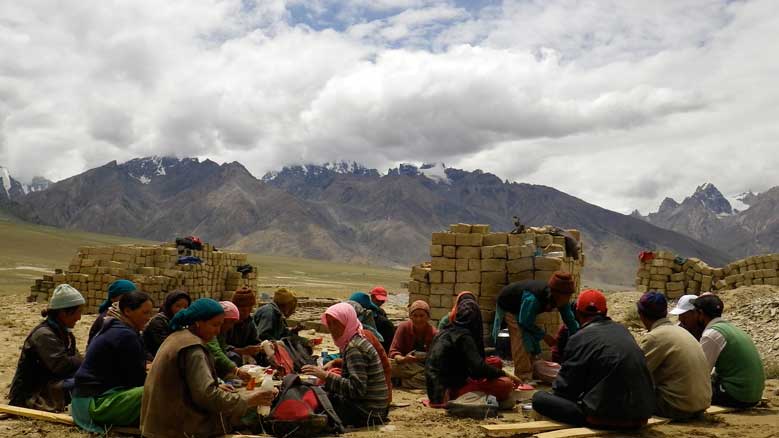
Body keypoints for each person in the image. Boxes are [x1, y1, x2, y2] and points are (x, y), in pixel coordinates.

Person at [141, 298, 277, 438]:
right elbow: (208, 396)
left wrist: (216, 385)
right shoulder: (193, 349)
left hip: (158, 425)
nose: (218, 331)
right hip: (175, 430)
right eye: (214, 325)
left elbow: (189, 384)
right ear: (198, 323)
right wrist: (248, 400)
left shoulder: (178, 337)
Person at [532, 289, 655, 429]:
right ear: (606, 311)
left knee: (539, 398)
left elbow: (564, 390)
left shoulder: (579, 338)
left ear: (577, 313)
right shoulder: (623, 331)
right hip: (641, 416)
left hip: (604, 418)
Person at [72, 291, 154, 433]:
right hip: (94, 404)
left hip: (84, 399)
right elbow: (135, 379)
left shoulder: (118, 328)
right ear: (128, 311)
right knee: (155, 391)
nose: (149, 318)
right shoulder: (125, 335)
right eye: (145, 313)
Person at [426, 292, 521, 407]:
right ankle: (460, 397)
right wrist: (505, 373)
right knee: (506, 385)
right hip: (449, 389)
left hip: (439, 385)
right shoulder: (464, 336)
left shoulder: (446, 330)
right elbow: (478, 369)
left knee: (495, 362)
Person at [301, 303, 389, 427]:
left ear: (347, 322)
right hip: (377, 408)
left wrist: (325, 376)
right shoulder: (356, 339)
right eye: (329, 323)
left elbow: (356, 390)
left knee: (313, 403)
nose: (332, 328)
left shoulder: (354, 348)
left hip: (368, 411)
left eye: (336, 323)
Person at [8, 284, 85, 412]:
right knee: (87, 384)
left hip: (52, 383)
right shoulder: (44, 335)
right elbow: (63, 366)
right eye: (77, 313)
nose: (79, 318)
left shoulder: (64, 333)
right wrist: (81, 361)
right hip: (34, 394)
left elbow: (73, 361)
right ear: (63, 313)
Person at [636, 292, 711, 420]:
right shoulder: (681, 331)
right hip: (701, 404)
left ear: (641, 315)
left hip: (677, 407)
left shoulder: (655, 337)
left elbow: (636, 374)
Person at [491, 272, 579, 380]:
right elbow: (524, 321)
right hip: (510, 306)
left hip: (524, 311)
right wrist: (545, 336)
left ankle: (531, 368)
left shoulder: (562, 300)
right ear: (557, 294)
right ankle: (523, 376)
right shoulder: (533, 298)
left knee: (530, 337)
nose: (568, 299)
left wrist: (580, 337)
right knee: (521, 338)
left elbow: (570, 321)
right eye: (567, 296)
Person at [688, 294, 765, 408]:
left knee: (688, 391)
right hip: (754, 394)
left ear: (701, 314)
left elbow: (701, 372)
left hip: (737, 395)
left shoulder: (711, 334)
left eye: (694, 312)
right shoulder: (732, 328)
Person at [388, 300, 437, 389]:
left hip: (423, 368)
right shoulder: (403, 327)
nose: (418, 319)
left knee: (433, 378)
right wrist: (404, 359)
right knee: (386, 366)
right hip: (405, 364)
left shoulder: (433, 333)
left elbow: (437, 358)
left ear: (428, 317)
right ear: (410, 316)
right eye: (415, 316)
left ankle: (400, 382)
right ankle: (410, 380)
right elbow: (393, 351)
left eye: (422, 316)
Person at [206, 301, 252, 381]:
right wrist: (236, 370)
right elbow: (217, 353)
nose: (231, 327)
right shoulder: (209, 334)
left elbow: (222, 351)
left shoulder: (222, 334)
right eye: (230, 322)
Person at [87, 279, 137, 345]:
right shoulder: (107, 319)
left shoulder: (130, 316)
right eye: (125, 297)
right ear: (113, 299)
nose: (130, 300)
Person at [143, 291, 191, 358]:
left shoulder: (183, 322)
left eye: (185, 307)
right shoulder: (159, 321)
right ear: (169, 306)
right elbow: (165, 346)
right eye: (178, 306)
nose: (182, 310)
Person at [224, 287, 264, 364]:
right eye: (242, 310)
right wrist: (242, 351)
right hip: (231, 355)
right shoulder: (227, 322)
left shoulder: (248, 321)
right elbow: (222, 348)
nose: (246, 313)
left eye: (249, 310)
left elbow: (254, 340)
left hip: (244, 354)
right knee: (233, 357)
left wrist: (260, 347)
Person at [369, 286, 396, 352]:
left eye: (382, 301)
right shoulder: (365, 311)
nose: (380, 303)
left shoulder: (381, 311)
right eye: (378, 300)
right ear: (372, 297)